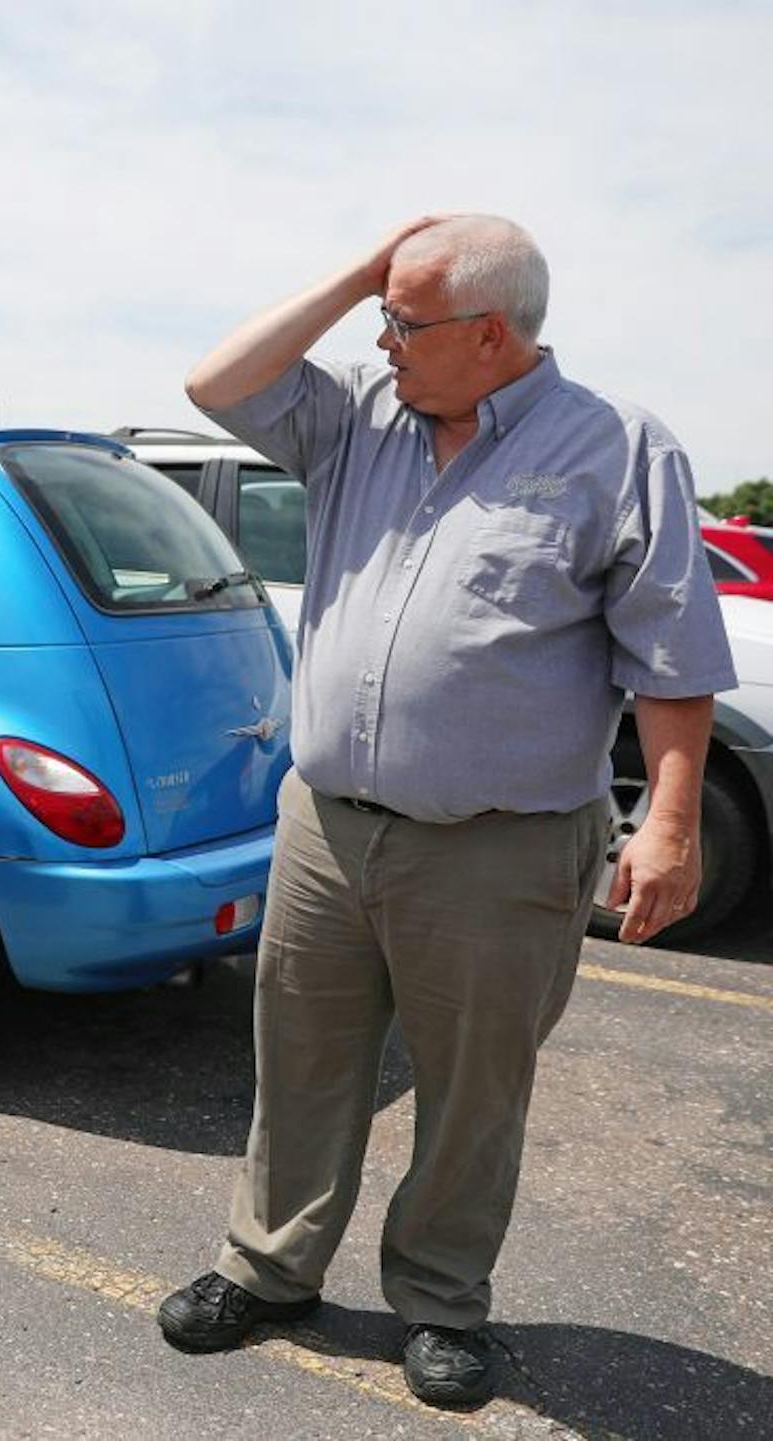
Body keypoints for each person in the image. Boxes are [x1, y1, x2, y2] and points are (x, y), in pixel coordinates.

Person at [154, 215, 734, 1407]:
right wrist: (369, 268)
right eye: (382, 314)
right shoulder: (360, 413)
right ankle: (268, 1266)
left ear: (490, 333)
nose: (382, 338)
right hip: (327, 823)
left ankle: (441, 1300)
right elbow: (217, 381)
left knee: (473, 1090)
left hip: (500, 847)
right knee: (302, 1060)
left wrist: (668, 824)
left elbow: (672, 657)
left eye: (404, 321)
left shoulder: (616, 450)